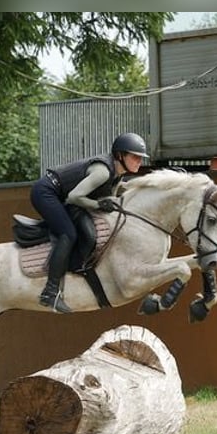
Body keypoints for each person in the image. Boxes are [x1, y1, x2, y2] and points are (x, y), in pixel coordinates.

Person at [30, 132, 149, 313]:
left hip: (64, 196)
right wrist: (98, 204)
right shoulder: (102, 172)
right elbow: (74, 197)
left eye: (141, 157)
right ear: (120, 155)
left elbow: (111, 200)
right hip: (46, 192)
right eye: (135, 157)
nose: (139, 161)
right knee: (68, 233)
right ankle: (50, 292)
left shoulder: (118, 175)